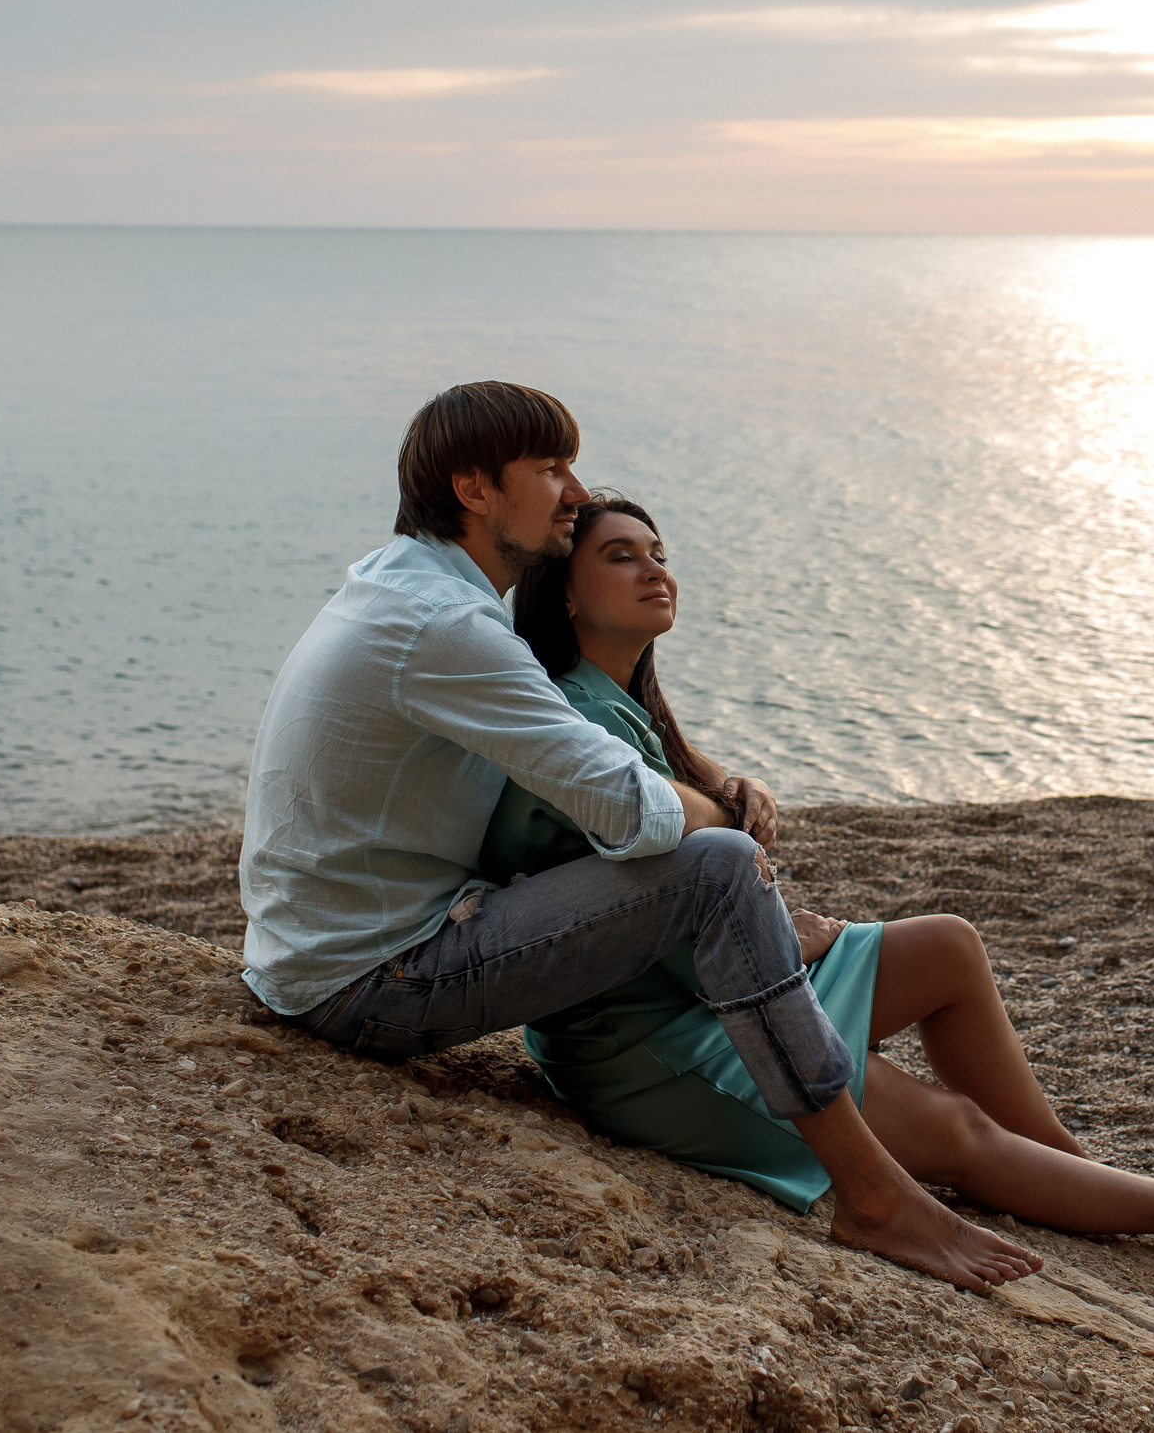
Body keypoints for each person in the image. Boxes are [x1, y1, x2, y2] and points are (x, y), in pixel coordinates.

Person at [238, 382, 1039, 1291]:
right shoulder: (447, 626)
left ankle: (958, 1163)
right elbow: (635, 808)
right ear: (473, 489)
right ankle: (872, 1194)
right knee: (721, 866)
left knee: (721, 864)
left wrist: (701, 770)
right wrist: (718, 811)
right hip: (372, 981)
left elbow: (590, 743)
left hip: (315, 953)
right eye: (549, 469)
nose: (572, 491)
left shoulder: (403, 589)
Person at [483, 491, 1154, 1249]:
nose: (655, 568)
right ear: (564, 592)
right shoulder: (582, 732)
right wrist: (790, 940)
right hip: (655, 1041)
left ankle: (1072, 1168)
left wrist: (741, 818)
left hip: (709, 989)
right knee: (951, 1127)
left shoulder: (618, 705)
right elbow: (651, 925)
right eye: (622, 556)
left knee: (948, 945)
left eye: (657, 550)